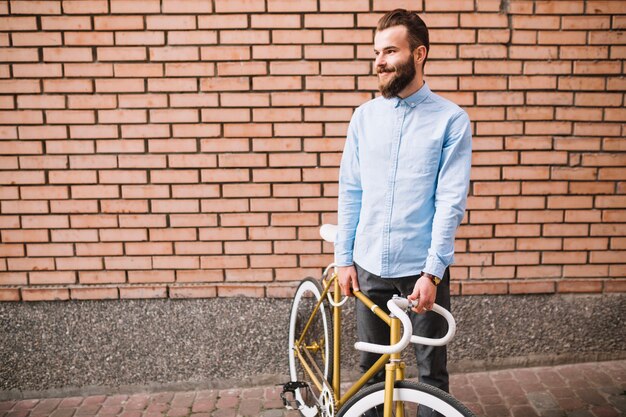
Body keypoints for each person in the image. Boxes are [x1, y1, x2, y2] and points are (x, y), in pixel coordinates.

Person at [335, 9, 472, 417]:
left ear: (419, 54)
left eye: (390, 51)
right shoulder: (364, 118)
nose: (379, 61)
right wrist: (344, 259)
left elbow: (450, 201)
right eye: (377, 52)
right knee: (372, 371)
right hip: (369, 267)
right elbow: (350, 190)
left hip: (422, 270)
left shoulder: (450, 120)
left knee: (432, 376)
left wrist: (432, 272)